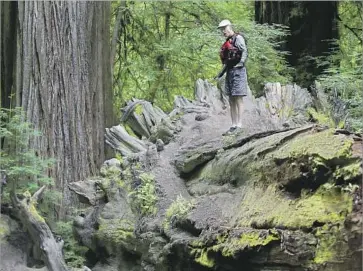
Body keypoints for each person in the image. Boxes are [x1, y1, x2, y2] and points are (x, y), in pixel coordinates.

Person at [217, 19, 248, 135]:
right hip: (230, 72)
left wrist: (241, 63)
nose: (223, 32)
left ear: (229, 27)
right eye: (222, 30)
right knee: (231, 99)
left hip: (238, 72)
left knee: (238, 97)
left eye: (224, 29)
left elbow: (244, 51)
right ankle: (233, 125)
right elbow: (227, 62)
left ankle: (239, 124)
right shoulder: (227, 42)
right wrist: (221, 73)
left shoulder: (238, 38)